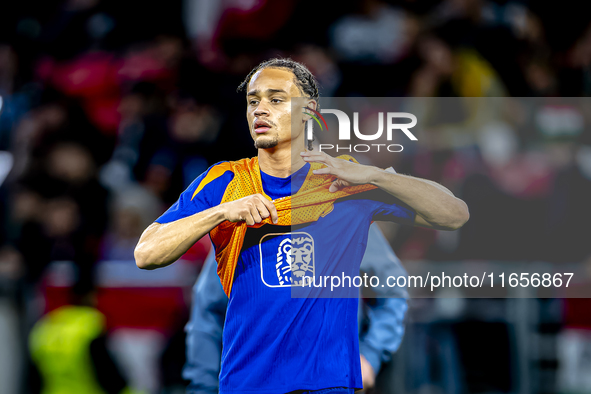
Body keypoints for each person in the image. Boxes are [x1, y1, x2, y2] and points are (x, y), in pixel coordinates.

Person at [134, 58, 469, 393]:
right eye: (253, 101)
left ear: (308, 111)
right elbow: (147, 254)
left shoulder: (342, 179)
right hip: (247, 384)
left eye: (276, 99)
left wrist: (375, 175)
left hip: (330, 385)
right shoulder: (225, 182)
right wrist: (220, 213)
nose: (260, 110)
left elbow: (453, 215)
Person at [183, 223, 409, 394]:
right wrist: (205, 386)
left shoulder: (348, 210)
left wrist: (370, 355)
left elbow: (393, 289)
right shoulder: (240, 219)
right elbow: (208, 310)